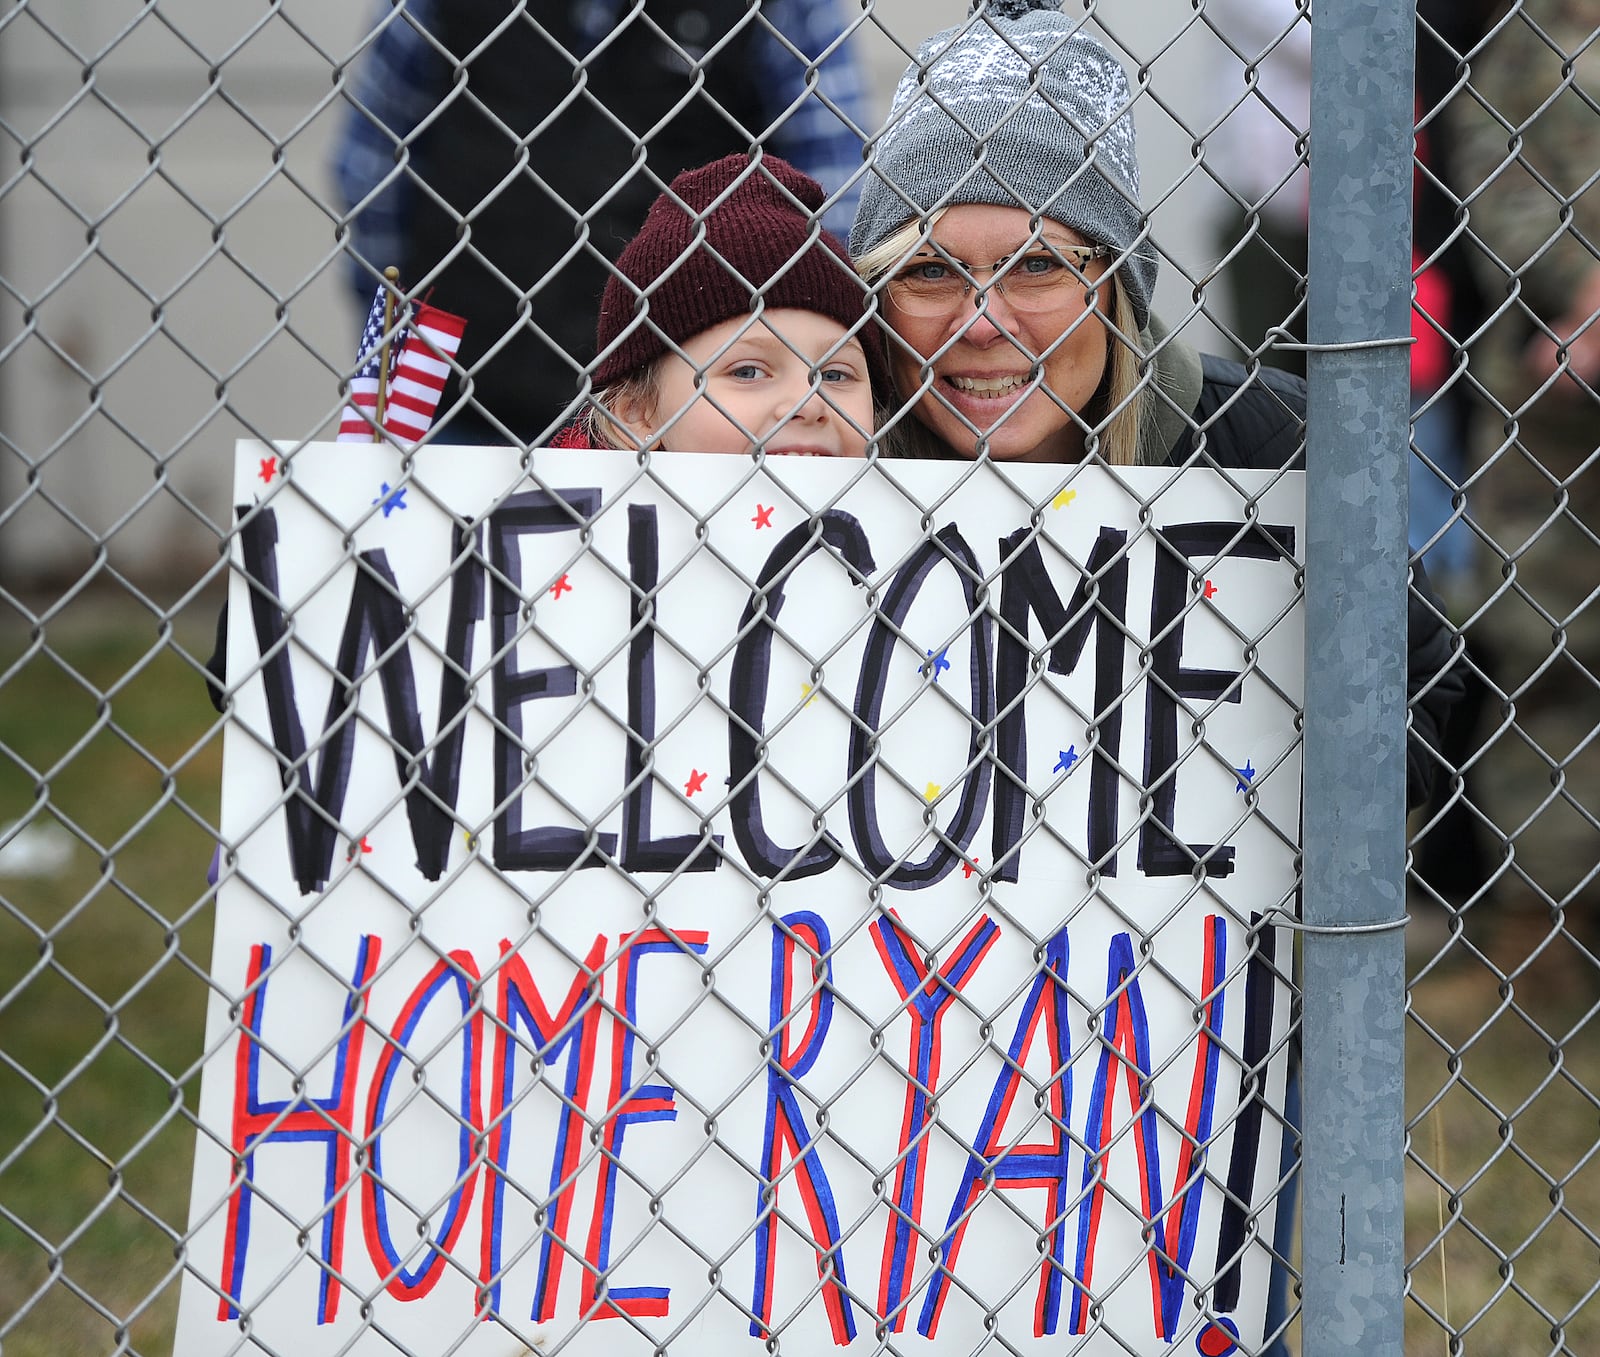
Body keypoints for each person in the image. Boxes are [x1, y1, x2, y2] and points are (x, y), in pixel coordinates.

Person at [850, 0, 1464, 808]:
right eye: (928, 270)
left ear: (1116, 288)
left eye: (1037, 265)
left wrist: (1250, 808)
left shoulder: (1273, 446)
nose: (982, 322)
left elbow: (1421, 706)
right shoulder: (824, 462)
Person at [333, 0, 871, 447]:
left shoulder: (789, 8)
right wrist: (404, 332)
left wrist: (770, 360)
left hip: (673, 409)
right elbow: (374, 175)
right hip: (455, 390)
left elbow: (834, 200)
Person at [1443, 0, 1600, 934]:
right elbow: (1491, 186)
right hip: (1549, 391)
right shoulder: (1520, 40)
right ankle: (1546, 924)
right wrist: (1580, 289)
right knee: (1547, 651)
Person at [551, 153, 886, 457]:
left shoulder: (907, 516)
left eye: (835, 374)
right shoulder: (581, 521)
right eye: (747, 372)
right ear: (636, 413)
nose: (810, 403)